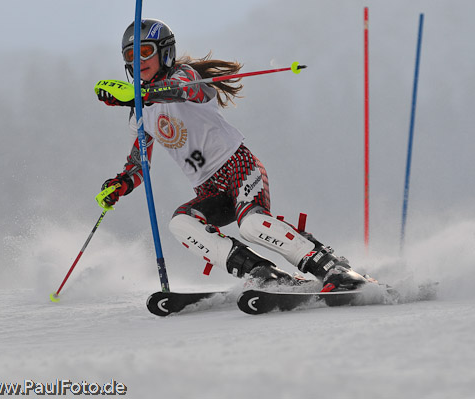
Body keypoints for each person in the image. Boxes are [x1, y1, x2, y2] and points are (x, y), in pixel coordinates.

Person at [95, 18, 367, 292]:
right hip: (209, 188)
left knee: (252, 224)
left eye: (146, 52)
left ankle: (330, 265)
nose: (139, 60)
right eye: (132, 55)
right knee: (181, 223)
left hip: (239, 168)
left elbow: (184, 92)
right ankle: (263, 273)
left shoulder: (185, 76)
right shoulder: (139, 113)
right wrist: (120, 185)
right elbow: (138, 164)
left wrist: (138, 95)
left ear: (165, 52)